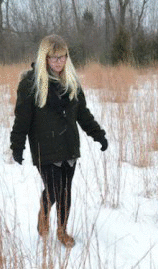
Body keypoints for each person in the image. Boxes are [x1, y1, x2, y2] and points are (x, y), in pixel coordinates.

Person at [10, 34, 108, 248]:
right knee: (53, 189)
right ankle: (44, 212)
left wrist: (98, 134)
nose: (58, 62)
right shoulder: (30, 83)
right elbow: (22, 118)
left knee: (65, 190)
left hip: (69, 145)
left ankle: (62, 231)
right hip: (44, 146)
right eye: (53, 57)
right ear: (44, 57)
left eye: (62, 57)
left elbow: (82, 113)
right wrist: (17, 146)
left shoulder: (71, 81)